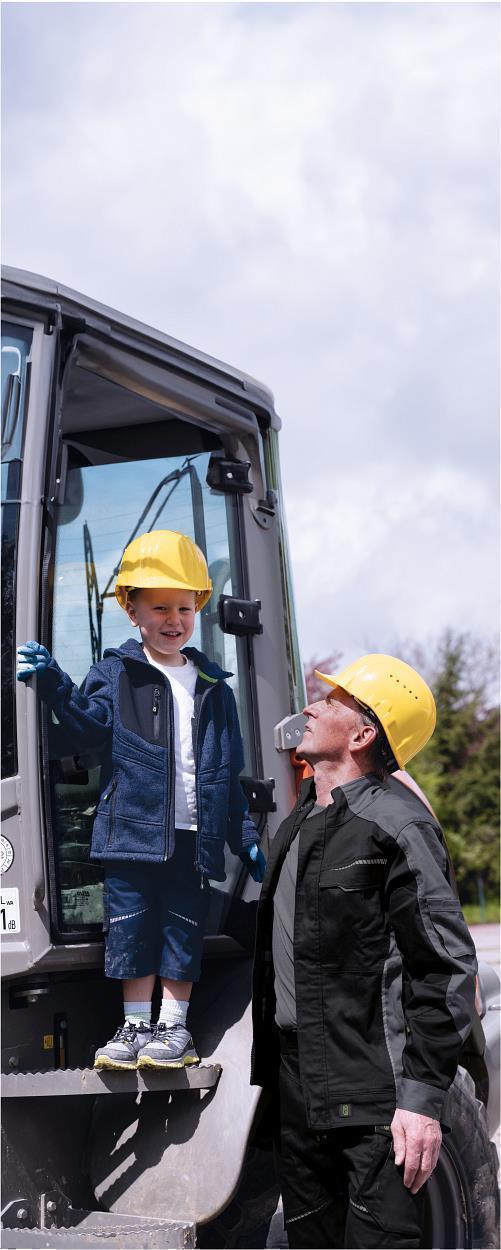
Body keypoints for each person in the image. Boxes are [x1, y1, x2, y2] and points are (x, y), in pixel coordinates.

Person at [17, 528, 265, 1071]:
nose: (174, 619)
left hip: (190, 838)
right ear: (132, 612)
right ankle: (134, 1027)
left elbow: (229, 771)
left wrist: (242, 836)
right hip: (130, 834)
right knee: (130, 928)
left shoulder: (214, 689)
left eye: (184, 606)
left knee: (181, 928)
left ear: (197, 608)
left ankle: (173, 1031)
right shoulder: (115, 675)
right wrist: (57, 684)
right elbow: (86, 732)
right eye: (159, 608)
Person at [251, 654, 477, 1249]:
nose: (312, 705)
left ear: (362, 733)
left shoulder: (398, 827)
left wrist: (423, 1101)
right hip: (298, 1088)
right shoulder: (297, 826)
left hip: (374, 1096)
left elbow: (444, 966)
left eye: (332, 700)